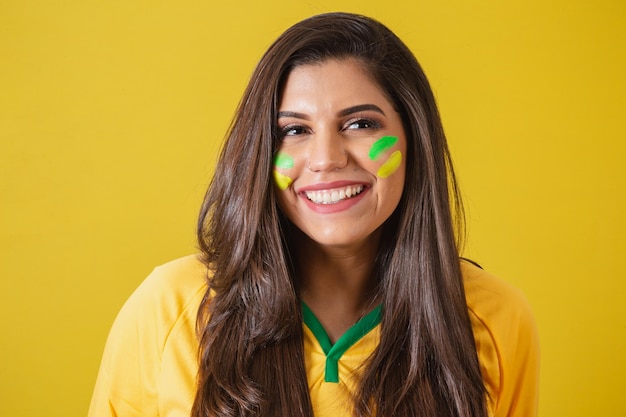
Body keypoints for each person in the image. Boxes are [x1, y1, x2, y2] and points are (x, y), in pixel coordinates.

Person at [88, 12, 539, 417]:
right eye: (294, 130)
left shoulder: (493, 318)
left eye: (361, 123)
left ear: (413, 137)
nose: (325, 158)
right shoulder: (171, 310)